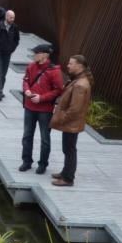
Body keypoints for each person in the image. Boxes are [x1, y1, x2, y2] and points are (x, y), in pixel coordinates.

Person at [19, 44, 64, 174]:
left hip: (45, 110)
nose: (34, 55)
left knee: (45, 138)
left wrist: (42, 98)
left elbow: (59, 90)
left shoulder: (54, 71)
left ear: (45, 55)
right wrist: (26, 90)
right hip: (29, 107)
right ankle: (26, 161)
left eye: (37, 53)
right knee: (27, 135)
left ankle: (43, 164)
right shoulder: (31, 66)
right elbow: (26, 80)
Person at [50, 55, 94, 187]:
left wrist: (61, 119)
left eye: (71, 63)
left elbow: (75, 109)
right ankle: (65, 172)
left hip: (71, 123)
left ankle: (68, 179)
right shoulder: (78, 80)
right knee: (68, 149)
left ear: (79, 66)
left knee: (69, 150)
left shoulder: (80, 84)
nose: (68, 65)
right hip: (71, 124)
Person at [0, 9, 19, 101]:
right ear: (6, 17)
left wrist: (12, 49)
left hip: (7, 54)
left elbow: (16, 40)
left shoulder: (15, 27)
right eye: (11, 17)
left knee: (3, 74)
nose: (12, 19)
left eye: (13, 17)